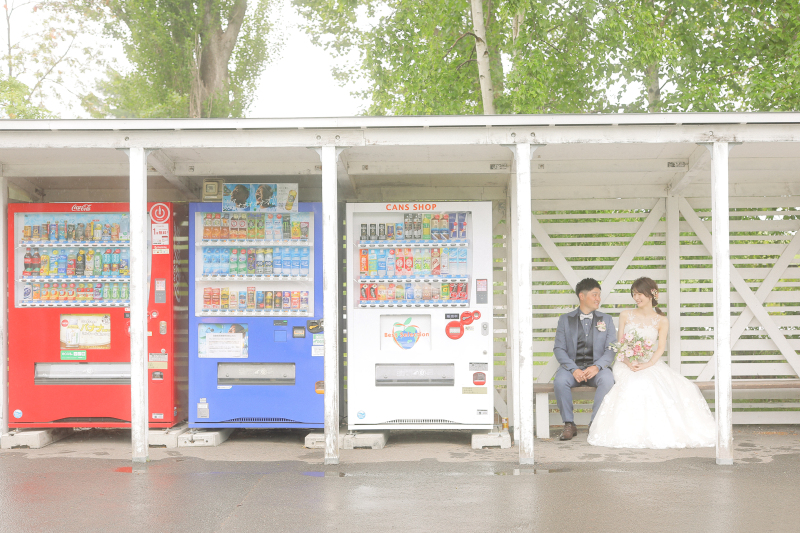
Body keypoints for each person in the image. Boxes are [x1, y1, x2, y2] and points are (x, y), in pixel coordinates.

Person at [588, 277, 716, 449]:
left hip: (650, 363)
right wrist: (629, 361)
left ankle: (657, 432)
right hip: (626, 363)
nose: (636, 298)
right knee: (638, 382)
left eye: (640, 293)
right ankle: (632, 432)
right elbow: (620, 346)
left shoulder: (661, 320)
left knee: (675, 386)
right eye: (634, 294)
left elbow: (660, 348)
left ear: (652, 294)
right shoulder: (625, 315)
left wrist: (646, 365)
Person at [553, 278, 617, 441]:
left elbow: (611, 348)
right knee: (560, 381)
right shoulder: (565, 320)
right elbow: (559, 349)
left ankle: (595, 423)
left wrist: (597, 367)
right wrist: (573, 369)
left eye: (599, 295)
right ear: (582, 296)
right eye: (595, 295)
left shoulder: (606, 319)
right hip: (572, 369)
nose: (598, 299)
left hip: (597, 371)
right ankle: (569, 424)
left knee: (608, 380)